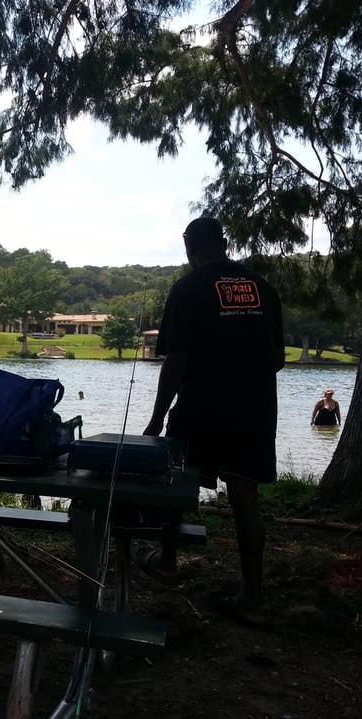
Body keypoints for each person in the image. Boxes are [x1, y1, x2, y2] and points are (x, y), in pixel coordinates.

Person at [143, 216, 284, 627]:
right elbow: (276, 359)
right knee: (245, 497)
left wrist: (156, 418)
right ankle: (251, 598)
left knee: (179, 478)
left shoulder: (189, 288)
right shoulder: (264, 288)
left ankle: (167, 560)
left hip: (202, 405)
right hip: (255, 408)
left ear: (191, 247)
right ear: (223, 243)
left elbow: (177, 360)